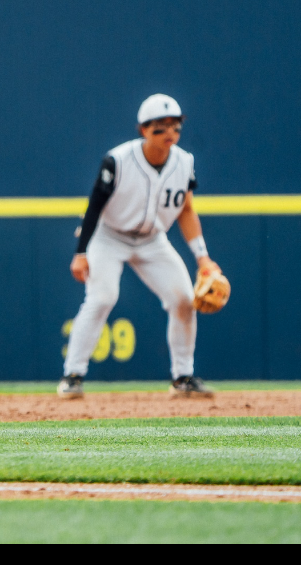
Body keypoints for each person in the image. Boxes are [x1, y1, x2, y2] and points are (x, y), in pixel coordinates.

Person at [58, 94, 224, 397]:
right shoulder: (118, 160)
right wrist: (80, 253)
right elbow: (94, 207)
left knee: (184, 300)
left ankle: (183, 379)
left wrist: (203, 259)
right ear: (143, 130)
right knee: (102, 297)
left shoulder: (184, 162)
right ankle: (72, 375)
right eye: (160, 127)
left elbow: (186, 210)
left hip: (152, 241)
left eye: (174, 126)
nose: (169, 133)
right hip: (108, 236)